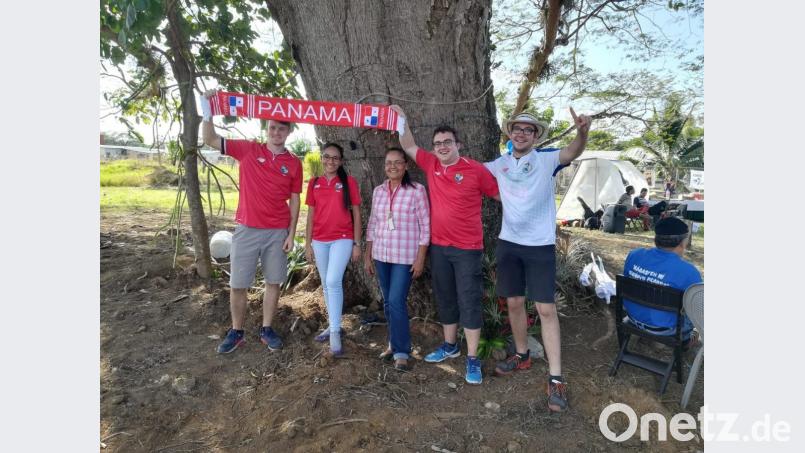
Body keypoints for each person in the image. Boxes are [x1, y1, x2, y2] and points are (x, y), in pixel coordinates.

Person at [483, 109, 591, 413]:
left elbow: (573, 150)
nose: (521, 133)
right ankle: (522, 354)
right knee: (514, 303)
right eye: (516, 129)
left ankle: (556, 378)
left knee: (545, 308)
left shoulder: (546, 160)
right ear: (510, 133)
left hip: (539, 246)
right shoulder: (499, 164)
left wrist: (582, 132)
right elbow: (469, 172)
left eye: (528, 130)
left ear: (536, 136)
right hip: (509, 244)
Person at [390, 105, 500, 385]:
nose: (441, 147)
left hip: (468, 249)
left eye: (447, 142)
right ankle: (450, 346)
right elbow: (409, 144)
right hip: (439, 248)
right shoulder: (431, 164)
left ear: (458, 144)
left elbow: (502, 195)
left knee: (469, 301)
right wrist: (402, 119)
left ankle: (472, 358)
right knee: (446, 299)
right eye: (437, 143)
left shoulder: (475, 170)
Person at [201, 90, 302, 354]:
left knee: (273, 282)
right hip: (247, 229)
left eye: (282, 129)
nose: (276, 132)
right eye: (272, 127)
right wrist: (207, 107)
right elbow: (210, 138)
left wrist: (291, 234)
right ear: (266, 129)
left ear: (288, 132)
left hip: (277, 231)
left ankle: (267, 329)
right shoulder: (247, 149)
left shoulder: (293, 163)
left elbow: (295, 201)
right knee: (238, 284)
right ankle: (236, 331)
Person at [364, 148, 431, 371]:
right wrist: (368, 255)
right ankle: (393, 344)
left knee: (395, 301)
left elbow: (426, 226)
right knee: (387, 302)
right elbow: (373, 223)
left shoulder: (416, 190)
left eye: (397, 162)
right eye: (388, 162)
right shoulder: (378, 191)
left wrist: (420, 257)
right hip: (381, 255)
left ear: (406, 165)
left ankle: (402, 351)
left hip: (404, 257)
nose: (392, 166)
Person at [304, 143, 362, 356]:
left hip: (343, 239)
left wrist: (357, 243)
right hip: (319, 240)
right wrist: (307, 243)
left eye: (335, 158)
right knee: (327, 286)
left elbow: (356, 213)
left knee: (332, 281)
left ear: (341, 161)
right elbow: (310, 215)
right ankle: (332, 325)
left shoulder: (348, 182)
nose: (331, 161)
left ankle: (336, 332)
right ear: (322, 158)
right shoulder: (314, 183)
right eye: (327, 157)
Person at [622, 217, 702, 340]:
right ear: (682, 242)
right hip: (664, 330)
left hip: (633, 317)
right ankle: (687, 340)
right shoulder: (689, 272)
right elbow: (699, 309)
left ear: (656, 239)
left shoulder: (634, 255)